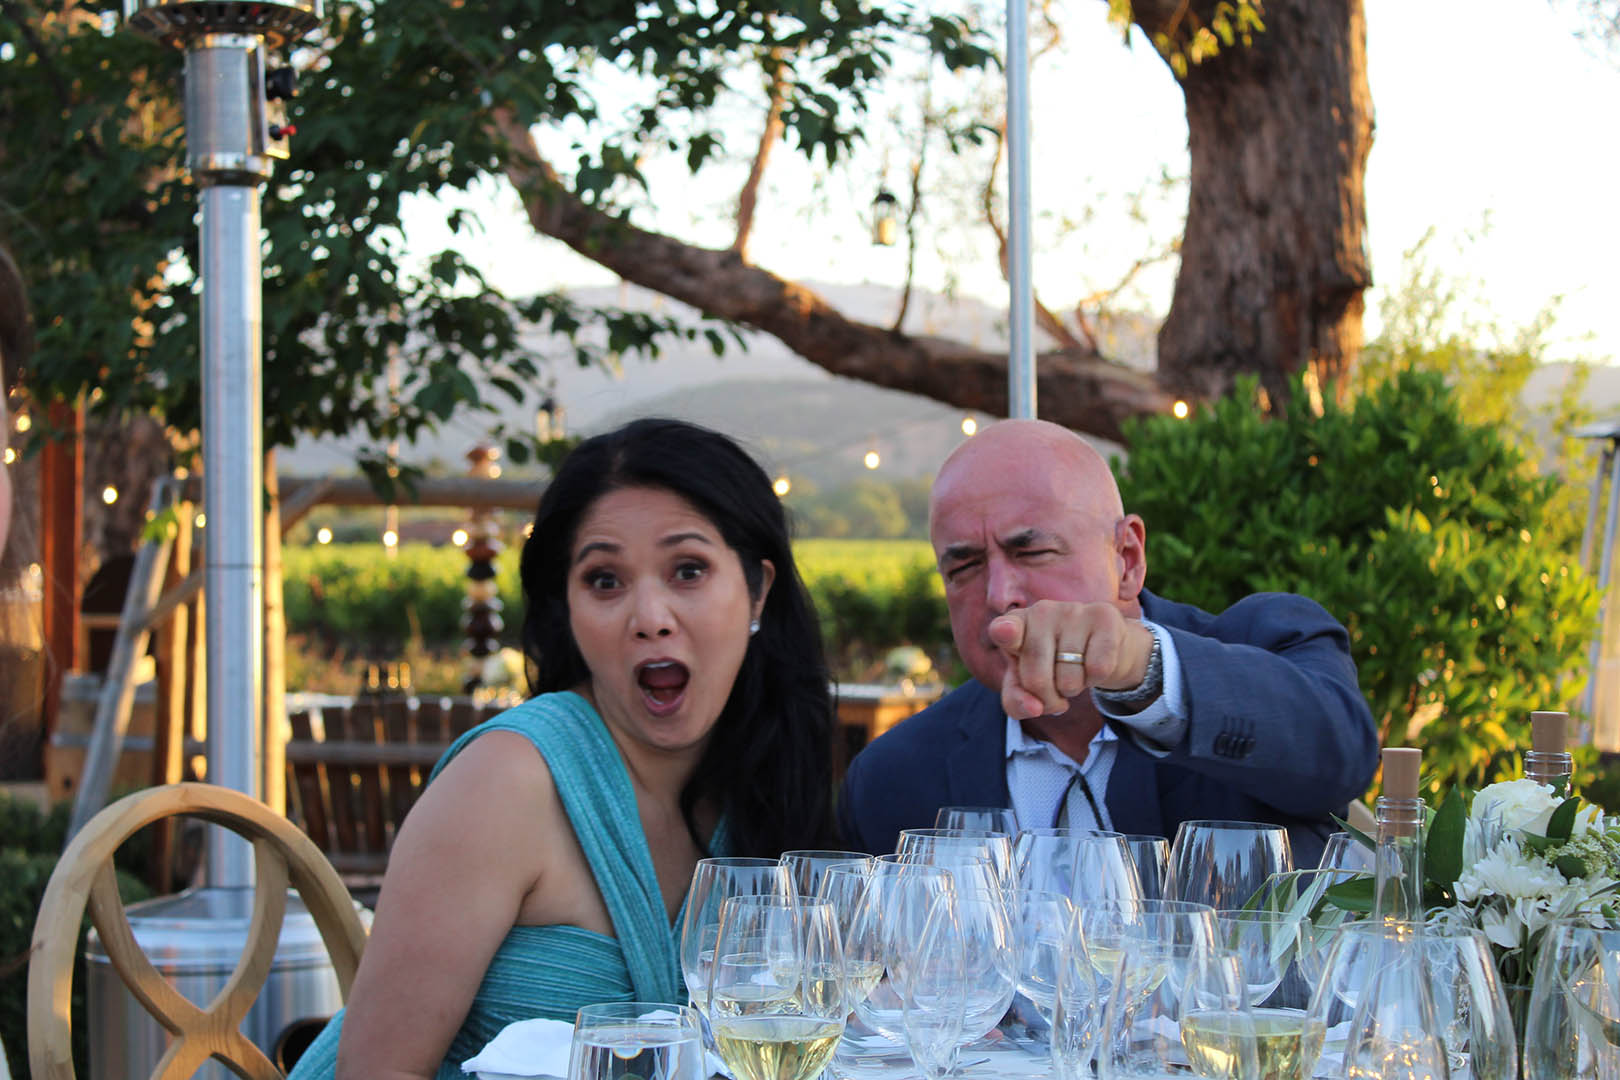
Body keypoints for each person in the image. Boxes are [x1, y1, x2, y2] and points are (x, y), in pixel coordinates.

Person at [291, 418, 838, 1080]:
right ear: (568, 611)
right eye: (605, 580)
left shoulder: (767, 784)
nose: (650, 617)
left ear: (757, 590)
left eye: (688, 571)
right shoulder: (507, 782)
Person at [837, 419, 1380, 869]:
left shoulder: (1267, 641)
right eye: (965, 567)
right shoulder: (893, 780)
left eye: (1032, 552)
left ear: (1127, 559)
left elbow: (1343, 755)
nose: (1000, 595)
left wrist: (1139, 669)